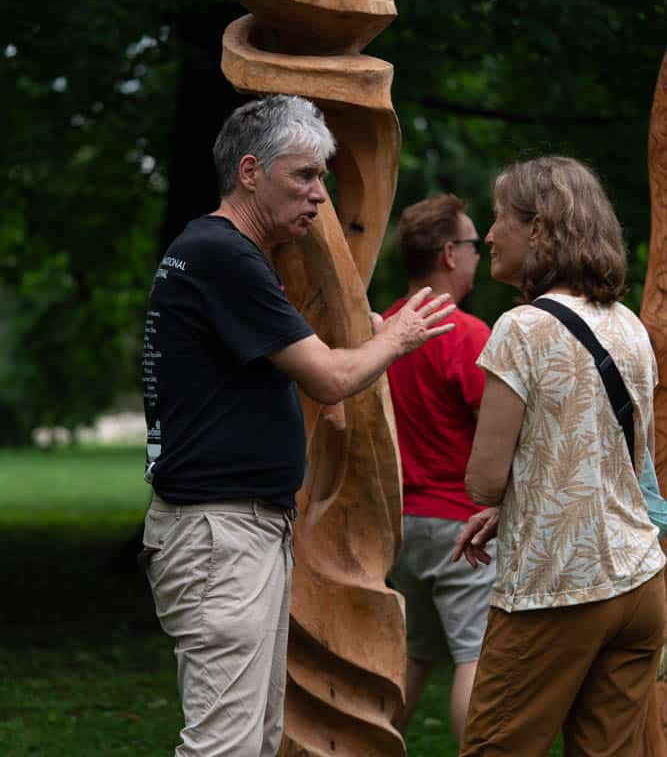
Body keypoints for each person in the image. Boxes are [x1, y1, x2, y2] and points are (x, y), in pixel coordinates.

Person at [140, 94, 455, 757]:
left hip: (233, 529)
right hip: (220, 532)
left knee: (252, 739)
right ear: (250, 172)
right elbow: (330, 378)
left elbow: (312, 359)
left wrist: (361, 337)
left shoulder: (218, 254)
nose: (320, 196)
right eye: (304, 176)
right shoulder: (225, 255)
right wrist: (396, 337)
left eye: (323, 178)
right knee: (224, 745)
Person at [453, 156, 666, 757]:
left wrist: (501, 498)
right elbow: (619, 464)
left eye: (500, 220)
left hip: (557, 588)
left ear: (541, 229)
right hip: (640, 586)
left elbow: (485, 481)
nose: (491, 236)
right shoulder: (628, 326)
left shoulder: (520, 328)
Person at [383, 194, 495, 743]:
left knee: (414, 653)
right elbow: (503, 433)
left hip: (403, 527)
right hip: (465, 527)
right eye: (474, 245)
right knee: (476, 656)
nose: (482, 253)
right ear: (450, 254)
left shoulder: (379, 332)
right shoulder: (470, 336)